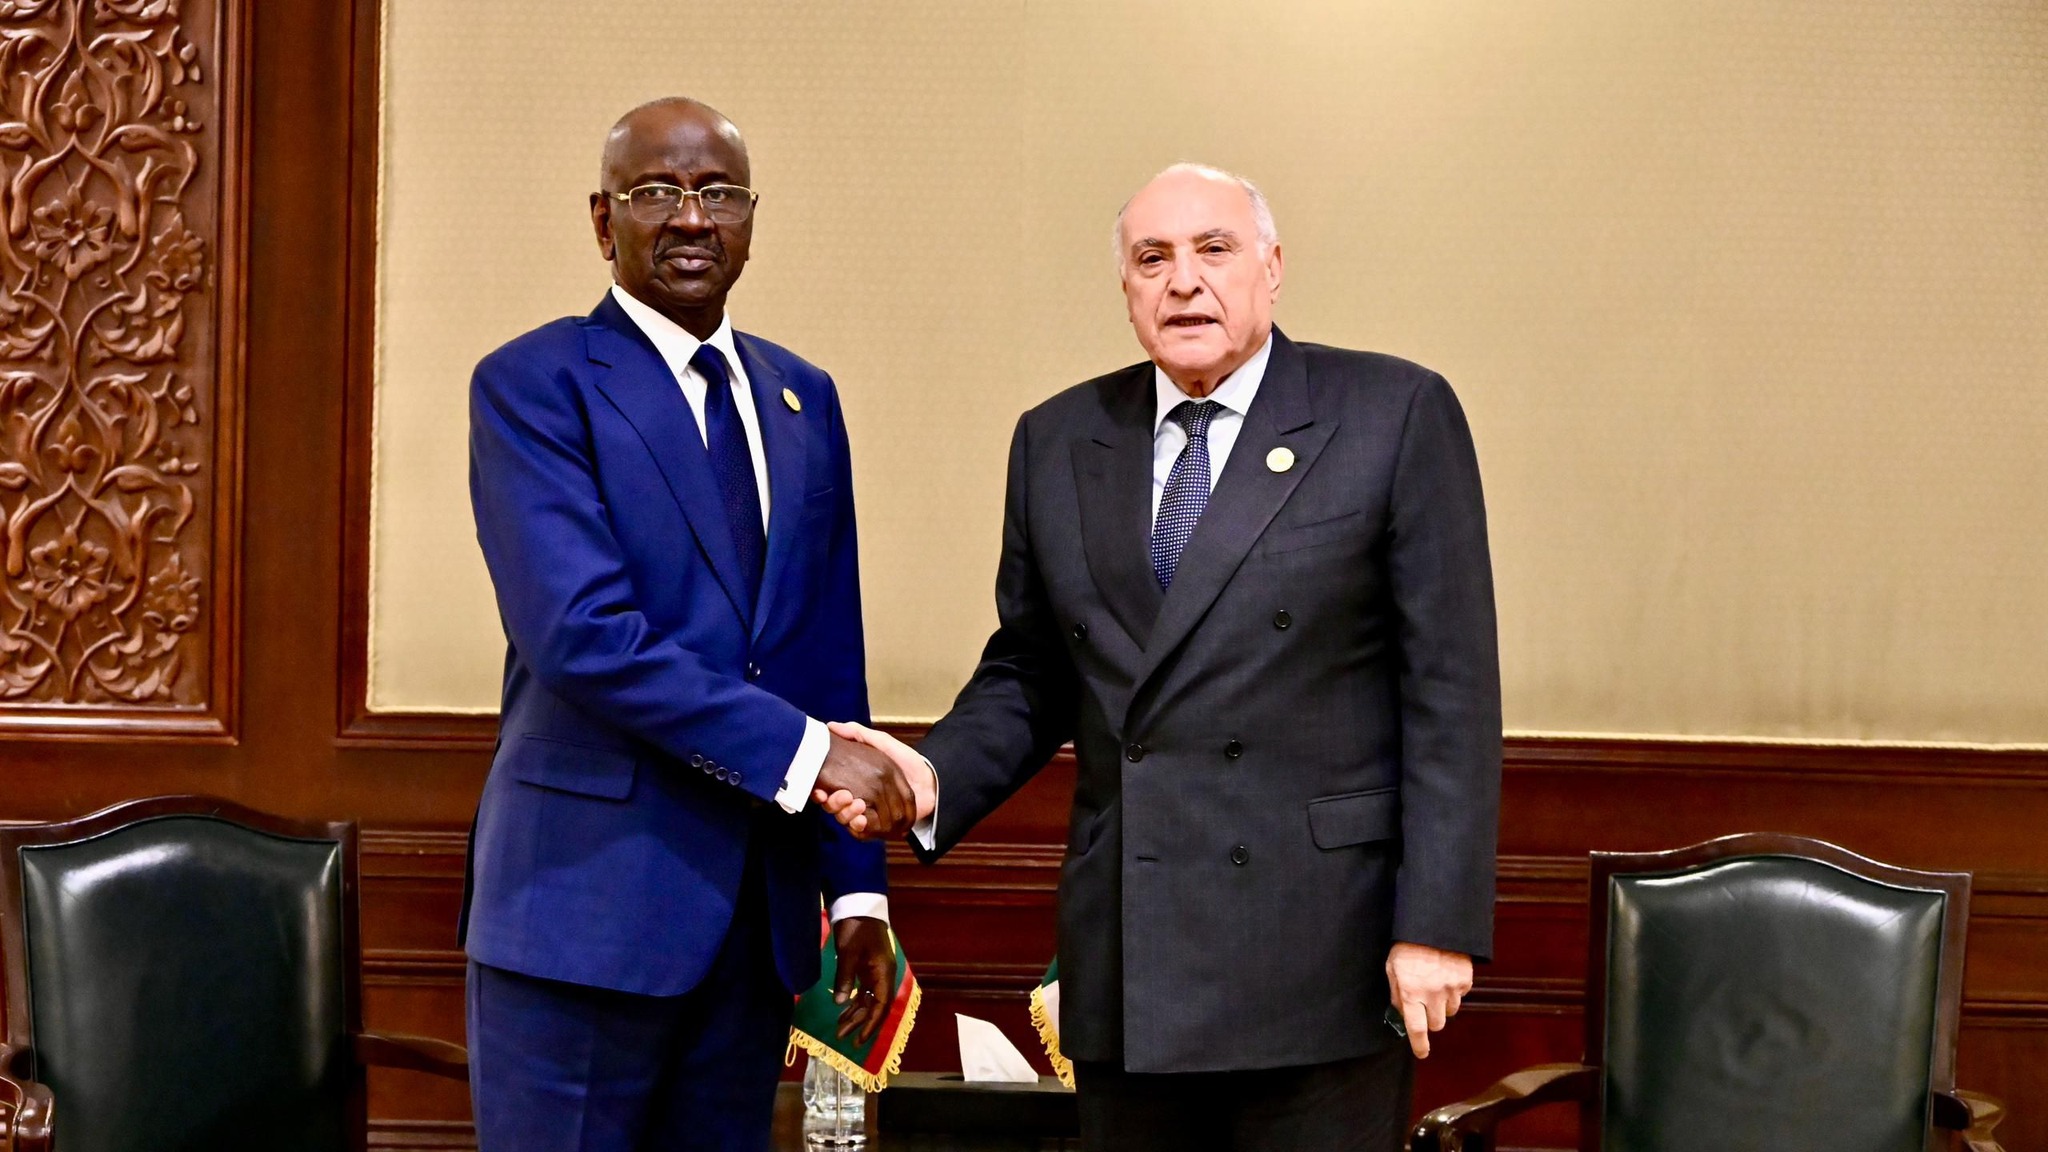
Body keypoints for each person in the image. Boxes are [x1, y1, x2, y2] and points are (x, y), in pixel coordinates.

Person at [826, 163, 1501, 1151]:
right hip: (1131, 956)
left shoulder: (1389, 414)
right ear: (1127, 288)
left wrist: (1435, 924)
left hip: (1322, 951)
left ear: (1272, 268)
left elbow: (1449, 690)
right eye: (1152, 259)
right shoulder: (1059, 438)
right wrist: (929, 778)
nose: (1183, 281)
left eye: (1213, 250)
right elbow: (1033, 669)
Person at [462, 97, 919, 1151]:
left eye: (718, 193)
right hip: (580, 917)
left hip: (755, 930)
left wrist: (857, 895)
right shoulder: (536, 384)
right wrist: (809, 756)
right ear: (602, 219)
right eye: (656, 191)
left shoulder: (804, 399)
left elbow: (824, 654)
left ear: (750, 221)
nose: (691, 217)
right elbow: (581, 633)